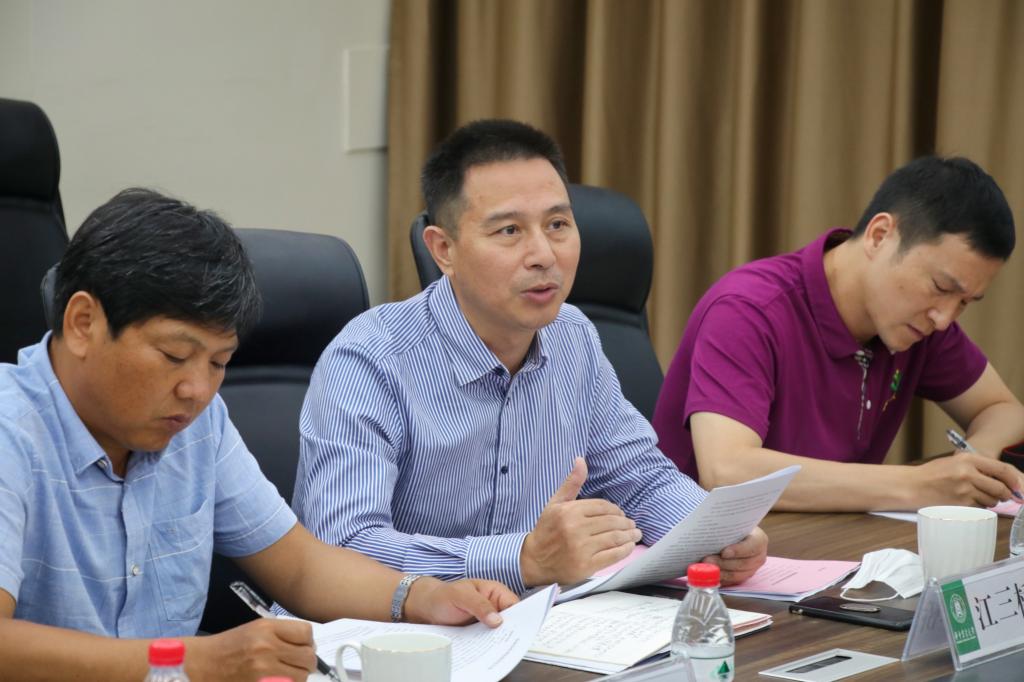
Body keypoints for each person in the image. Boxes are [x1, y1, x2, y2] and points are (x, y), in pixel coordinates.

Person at [0, 189, 517, 682]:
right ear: (84, 323)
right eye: (175, 356)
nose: (196, 390)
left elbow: (300, 568)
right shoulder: (10, 429)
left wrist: (421, 596)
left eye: (219, 363)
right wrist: (195, 663)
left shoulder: (197, 424)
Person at [292, 119, 768, 595]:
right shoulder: (371, 359)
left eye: (558, 225)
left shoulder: (573, 337)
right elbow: (344, 547)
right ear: (443, 250)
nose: (543, 254)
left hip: (533, 620)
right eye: (509, 230)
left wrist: (715, 533)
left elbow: (639, 478)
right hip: (393, 629)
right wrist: (522, 560)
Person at [652, 156, 1024, 512]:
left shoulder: (922, 325)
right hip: (706, 551)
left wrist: (975, 458)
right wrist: (920, 485)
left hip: (832, 545)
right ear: (880, 235)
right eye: (941, 287)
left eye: (965, 302)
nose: (944, 318)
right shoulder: (749, 309)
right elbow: (727, 471)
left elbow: (1003, 409)